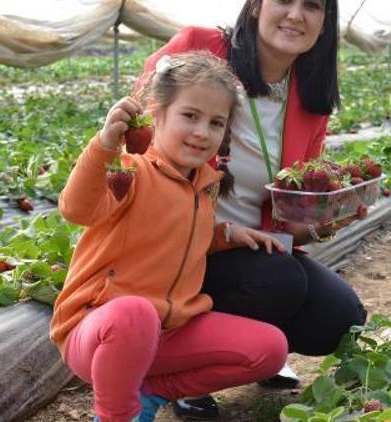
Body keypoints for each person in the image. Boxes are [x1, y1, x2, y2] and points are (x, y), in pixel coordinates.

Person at [139, 0, 368, 418]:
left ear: (325, 22)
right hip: (178, 248)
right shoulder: (200, 48)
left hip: (255, 248)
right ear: (258, 4)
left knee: (339, 316)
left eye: (313, 6)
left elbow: (288, 213)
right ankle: (177, 370)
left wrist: (324, 220)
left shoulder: (308, 94)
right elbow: (135, 135)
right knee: (278, 281)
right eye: (284, 0)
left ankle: (253, 347)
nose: (296, 15)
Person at [50, 51, 290, 422]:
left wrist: (227, 234)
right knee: (135, 313)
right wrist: (103, 146)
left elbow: (181, 235)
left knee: (270, 348)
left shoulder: (204, 186)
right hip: (99, 331)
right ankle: (118, 415)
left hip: (169, 332)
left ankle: (154, 391)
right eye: (190, 116)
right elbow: (77, 209)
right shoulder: (131, 171)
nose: (201, 132)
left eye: (216, 123)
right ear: (156, 113)